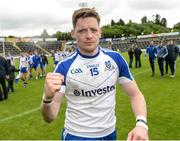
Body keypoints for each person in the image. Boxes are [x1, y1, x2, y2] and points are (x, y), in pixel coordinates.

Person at [40, 8, 148, 140]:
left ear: (100, 32)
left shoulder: (115, 59)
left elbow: (135, 94)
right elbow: (50, 117)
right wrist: (47, 98)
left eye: (93, 30)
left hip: (109, 134)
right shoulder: (64, 67)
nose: (89, 35)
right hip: (77, 136)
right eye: (82, 30)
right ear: (73, 33)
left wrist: (142, 124)